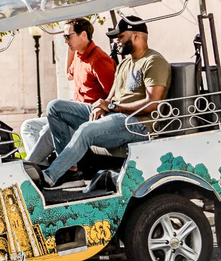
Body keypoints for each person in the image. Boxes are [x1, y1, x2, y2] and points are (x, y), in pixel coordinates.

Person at [40, 16, 171, 188]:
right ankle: (70, 172)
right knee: (55, 107)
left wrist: (112, 107)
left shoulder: (153, 61)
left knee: (86, 129)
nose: (117, 41)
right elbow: (110, 97)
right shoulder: (125, 64)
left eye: (121, 36)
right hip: (115, 115)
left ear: (137, 36)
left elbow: (152, 103)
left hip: (135, 123)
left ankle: (49, 176)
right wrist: (101, 105)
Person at [21, 18, 115, 166]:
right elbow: (68, 75)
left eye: (68, 37)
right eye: (64, 37)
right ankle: (41, 166)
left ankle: (30, 167)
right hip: (73, 112)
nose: (65, 41)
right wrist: (71, 47)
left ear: (83, 35)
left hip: (89, 118)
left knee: (50, 125)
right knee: (28, 126)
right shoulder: (78, 55)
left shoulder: (99, 60)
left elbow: (114, 95)